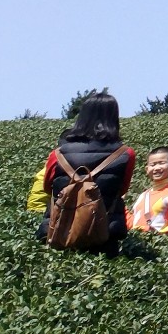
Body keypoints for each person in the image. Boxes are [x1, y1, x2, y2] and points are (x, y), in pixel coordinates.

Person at [37, 91, 135, 252]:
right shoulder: (125, 153)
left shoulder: (58, 153)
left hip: (61, 231)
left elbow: (48, 188)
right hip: (104, 232)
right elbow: (122, 189)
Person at [127, 146, 168, 235]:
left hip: (158, 241)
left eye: (161, 163)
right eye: (153, 164)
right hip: (139, 242)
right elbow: (132, 224)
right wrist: (119, 204)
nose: (157, 168)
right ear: (147, 169)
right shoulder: (143, 195)